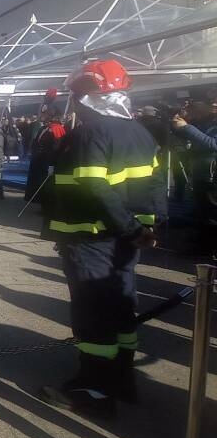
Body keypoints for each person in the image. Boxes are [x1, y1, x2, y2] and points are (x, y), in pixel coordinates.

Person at [40, 60, 165, 414]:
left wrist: (128, 226)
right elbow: (156, 183)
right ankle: (121, 379)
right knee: (121, 305)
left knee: (93, 311)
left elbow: (94, 186)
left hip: (92, 237)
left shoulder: (90, 133)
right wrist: (149, 226)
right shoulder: (140, 132)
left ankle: (93, 390)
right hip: (129, 240)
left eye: (75, 96)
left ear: (87, 96)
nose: (73, 103)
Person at [172, 98, 217, 258]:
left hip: (212, 177)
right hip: (202, 174)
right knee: (203, 212)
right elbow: (199, 143)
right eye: (211, 102)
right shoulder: (207, 121)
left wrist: (187, 127)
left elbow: (213, 144)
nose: (214, 104)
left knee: (212, 213)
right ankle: (203, 245)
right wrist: (181, 125)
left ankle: (209, 249)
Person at [24, 105, 65, 203]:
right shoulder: (44, 128)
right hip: (38, 160)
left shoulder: (57, 128)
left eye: (45, 114)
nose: (42, 115)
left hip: (47, 161)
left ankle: (45, 203)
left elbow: (56, 148)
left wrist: (52, 164)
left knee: (45, 183)